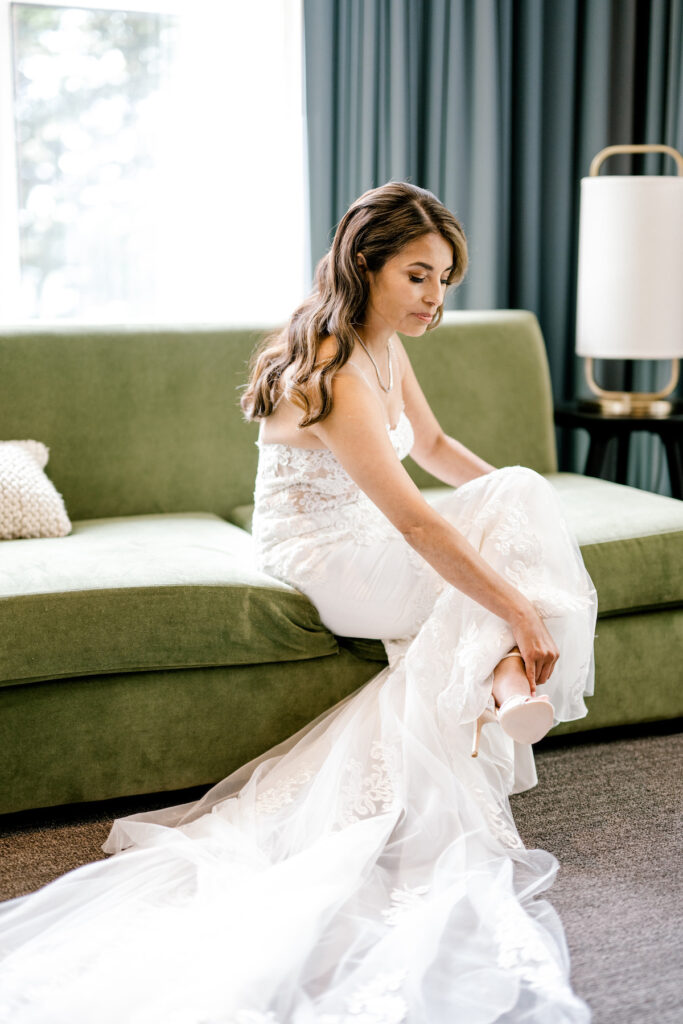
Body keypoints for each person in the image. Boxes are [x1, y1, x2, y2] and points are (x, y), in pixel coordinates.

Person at [0, 182, 597, 1023]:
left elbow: (431, 447)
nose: (434, 298)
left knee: (520, 491)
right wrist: (524, 603)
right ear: (366, 263)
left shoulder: (386, 344)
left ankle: (504, 678)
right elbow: (413, 519)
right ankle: (506, 672)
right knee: (510, 537)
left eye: (445, 279)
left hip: (377, 537)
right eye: (418, 276)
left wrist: (529, 516)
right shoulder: (331, 362)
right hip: (333, 559)